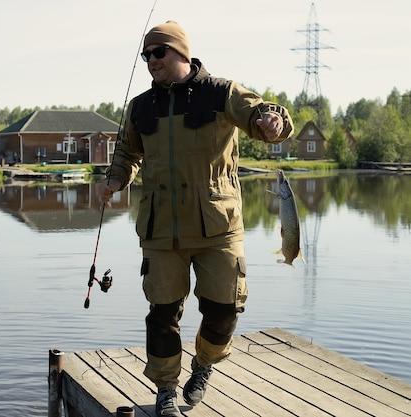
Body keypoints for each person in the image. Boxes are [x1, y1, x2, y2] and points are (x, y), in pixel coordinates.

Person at [99, 21, 294, 417]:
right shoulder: (140, 107)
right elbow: (127, 154)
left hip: (217, 226)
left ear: (181, 53)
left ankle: (203, 365)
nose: (151, 61)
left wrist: (273, 121)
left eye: (158, 53)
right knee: (163, 313)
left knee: (224, 309)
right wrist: (116, 178)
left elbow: (264, 114)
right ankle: (166, 388)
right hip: (160, 227)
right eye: (146, 55)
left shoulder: (221, 93)